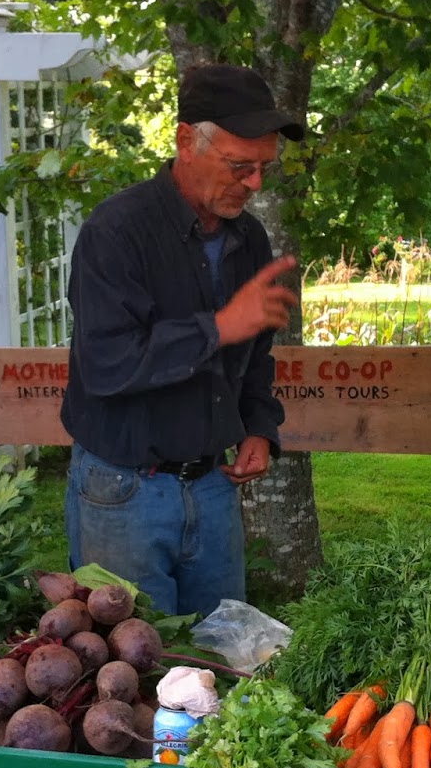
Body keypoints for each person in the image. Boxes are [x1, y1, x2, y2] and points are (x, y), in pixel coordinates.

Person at [61, 64, 303, 617]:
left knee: (220, 661)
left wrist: (261, 429)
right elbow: (106, 363)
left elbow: (255, 357)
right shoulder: (115, 231)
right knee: (130, 669)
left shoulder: (249, 238)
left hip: (213, 485)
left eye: (266, 168)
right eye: (241, 167)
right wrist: (218, 327)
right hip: (122, 492)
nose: (255, 184)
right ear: (185, 141)